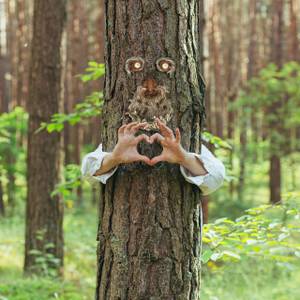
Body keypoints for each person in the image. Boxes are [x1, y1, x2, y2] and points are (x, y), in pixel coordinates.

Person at [81, 117, 226, 195]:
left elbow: (216, 178)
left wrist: (184, 158)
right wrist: (114, 158)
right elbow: (87, 171)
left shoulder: (194, 143)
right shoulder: (112, 142)